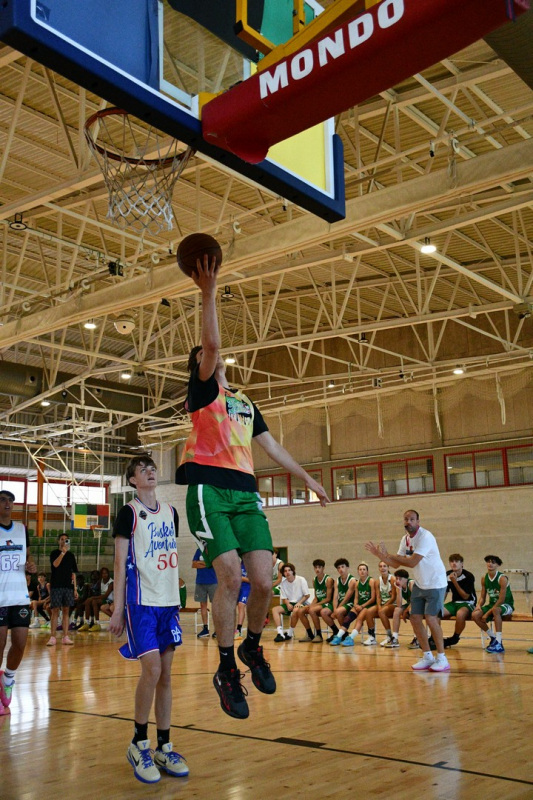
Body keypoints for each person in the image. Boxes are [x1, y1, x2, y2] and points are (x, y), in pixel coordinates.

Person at [175, 254, 329, 720]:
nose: (214, 356)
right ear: (200, 364)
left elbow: (273, 447)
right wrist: (208, 292)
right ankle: (226, 668)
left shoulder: (243, 402)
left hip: (245, 495)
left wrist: (306, 477)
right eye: (207, 356)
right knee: (229, 577)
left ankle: (252, 648)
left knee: (263, 580)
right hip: (208, 491)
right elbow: (211, 343)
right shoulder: (203, 391)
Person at [109, 455, 188, 784]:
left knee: (166, 675)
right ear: (132, 480)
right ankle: (138, 743)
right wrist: (117, 609)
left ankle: (164, 746)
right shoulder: (128, 513)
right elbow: (119, 563)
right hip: (140, 602)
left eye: (152, 468)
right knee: (152, 670)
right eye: (143, 470)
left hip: (168, 602)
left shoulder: (171, 512)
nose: (150, 472)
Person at [366, 509, 450, 672]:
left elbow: (412, 562)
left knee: (431, 619)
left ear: (418, 521)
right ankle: (427, 656)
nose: (408, 522)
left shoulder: (425, 537)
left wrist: (389, 554)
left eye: (412, 519)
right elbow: (395, 564)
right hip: (420, 583)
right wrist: (379, 555)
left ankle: (442, 658)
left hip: (435, 583)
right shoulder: (405, 539)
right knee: (414, 618)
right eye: (406, 519)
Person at [0, 489, 37, 715]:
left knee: (20, 643)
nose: (8, 503)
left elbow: (28, 555)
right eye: (3, 500)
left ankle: (8, 679)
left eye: (11, 500)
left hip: (19, 596)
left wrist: (30, 564)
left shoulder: (22, 529)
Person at [472, 555, 514, 653]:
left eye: (493, 562)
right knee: (475, 614)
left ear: (498, 565)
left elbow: (501, 600)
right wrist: (478, 606)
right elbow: (483, 597)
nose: (490, 564)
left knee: (495, 610)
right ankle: (493, 637)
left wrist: (487, 613)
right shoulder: (484, 578)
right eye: (488, 562)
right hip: (492, 605)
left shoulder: (502, 578)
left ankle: (499, 643)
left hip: (506, 605)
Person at [330, 562, 376, 647]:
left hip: (368, 605)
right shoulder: (357, 583)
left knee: (359, 618)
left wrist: (362, 606)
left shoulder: (371, 581)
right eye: (360, 569)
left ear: (367, 571)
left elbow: (373, 598)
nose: (362, 571)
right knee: (347, 618)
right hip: (359, 605)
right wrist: (355, 605)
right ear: (358, 571)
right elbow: (356, 597)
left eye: (364, 569)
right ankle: (339, 636)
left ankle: (351, 638)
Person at [47, 533, 78, 646]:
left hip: (68, 586)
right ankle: (52, 637)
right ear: (58, 541)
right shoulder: (54, 553)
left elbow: (73, 573)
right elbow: (55, 565)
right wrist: (63, 553)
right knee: (55, 610)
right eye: (62, 539)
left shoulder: (71, 555)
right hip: (56, 585)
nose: (64, 541)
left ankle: (65, 636)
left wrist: (75, 589)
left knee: (66, 611)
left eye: (66, 539)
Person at [441, 554, 477, 648]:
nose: (454, 563)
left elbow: (465, 596)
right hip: (454, 603)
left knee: (460, 614)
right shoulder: (447, 574)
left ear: (462, 564)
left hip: (468, 603)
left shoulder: (468, 576)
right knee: (436, 612)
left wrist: (454, 581)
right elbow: (445, 592)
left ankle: (455, 637)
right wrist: (439, 604)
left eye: (456, 561)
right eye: (452, 561)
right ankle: (435, 637)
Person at [296, 559, 334, 642]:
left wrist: (314, 606)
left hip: (328, 604)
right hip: (319, 603)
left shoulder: (328, 580)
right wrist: (311, 605)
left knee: (312, 610)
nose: (317, 569)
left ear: (323, 568)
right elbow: (316, 597)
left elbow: (328, 598)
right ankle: (310, 635)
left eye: (319, 567)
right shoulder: (314, 580)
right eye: (315, 567)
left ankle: (319, 635)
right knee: (300, 611)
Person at [272, 563, 310, 641]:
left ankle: (289, 633)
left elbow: (307, 595)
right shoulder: (283, 583)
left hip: (302, 602)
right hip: (290, 603)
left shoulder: (301, 579)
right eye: (285, 571)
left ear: (293, 571)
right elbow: (284, 597)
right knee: (274, 609)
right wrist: (287, 604)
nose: (287, 572)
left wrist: (299, 603)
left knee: (295, 610)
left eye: (289, 570)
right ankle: (280, 633)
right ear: (283, 573)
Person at [322, 558, 355, 643]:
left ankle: (343, 634)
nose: (341, 569)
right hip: (341, 603)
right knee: (324, 612)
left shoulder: (352, 580)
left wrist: (336, 611)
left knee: (339, 612)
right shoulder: (337, 581)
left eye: (342, 567)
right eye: (338, 568)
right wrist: (334, 609)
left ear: (347, 567)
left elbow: (346, 598)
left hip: (350, 603)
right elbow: (335, 597)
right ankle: (338, 632)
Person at [384, 569, 415, 648]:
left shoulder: (411, 583)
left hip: (419, 603)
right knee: (397, 610)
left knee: (411, 611)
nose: (397, 581)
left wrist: (406, 610)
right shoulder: (398, 585)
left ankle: (417, 638)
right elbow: (399, 604)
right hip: (410, 604)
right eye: (397, 578)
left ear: (406, 579)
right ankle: (395, 638)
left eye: (400, 579)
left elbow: (415, 601)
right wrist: (399, 590)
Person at [369, 560, 397, 647]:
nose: (382, 568)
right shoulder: (377, 581)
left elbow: (393, 597)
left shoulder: (393, 579)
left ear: (388, 568)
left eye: (384, 566)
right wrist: (378, 606)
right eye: (380, 566)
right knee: (368, 612)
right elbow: (378, 596)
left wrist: (383, 607)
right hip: (383, 604)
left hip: (393, 605)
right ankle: (372, 637)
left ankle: (389, 636)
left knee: (381, 611)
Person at [191, 547, 217, 639]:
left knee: (215, 606)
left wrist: (200, 563)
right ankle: (205, 628)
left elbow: (214, 564)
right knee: (203, 605)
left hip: (213, 582)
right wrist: (207, 563)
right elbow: (194, 564)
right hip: (200, 581)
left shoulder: (214, 550)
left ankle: (217, 629)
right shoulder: (199, 551)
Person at [235, 560, 250, 639]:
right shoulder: (239, 564)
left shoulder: (251, 565)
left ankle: (239, 629)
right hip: (238, 587)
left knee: (241, 605)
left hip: (247, 588)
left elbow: (253, 580)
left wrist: (242, 578)